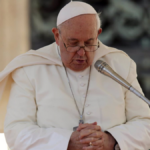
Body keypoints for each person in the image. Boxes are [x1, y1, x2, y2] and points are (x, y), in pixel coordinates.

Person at [1, 1, 150, 150]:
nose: (81, 52)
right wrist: (66, 142)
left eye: (89, 42)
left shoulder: (119, 65)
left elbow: (145, 123)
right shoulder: (30, 69)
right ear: (57, 36)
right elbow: (16, 131)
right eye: (73, 43)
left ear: (98, 34)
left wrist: (111, 140)